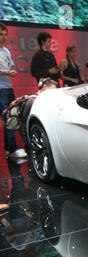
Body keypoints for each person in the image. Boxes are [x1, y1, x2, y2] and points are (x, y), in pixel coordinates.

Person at [0, 23, 26, 159]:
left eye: (5, 34)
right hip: (0, 89)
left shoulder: (6, 51)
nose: (4, 37)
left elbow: (12, 67)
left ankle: (10, 148)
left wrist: (12, 72)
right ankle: (12, 148)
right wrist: (3, 71)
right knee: (8, 117)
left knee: (12, 116)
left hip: (8, 87)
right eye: (1, 34)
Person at [20, 78, 58, 148]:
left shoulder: (38, 100)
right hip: (32, 136)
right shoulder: (33, 101)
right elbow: (26, 121)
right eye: (52, 90)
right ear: (44, 87)